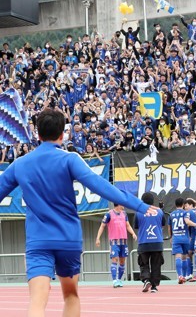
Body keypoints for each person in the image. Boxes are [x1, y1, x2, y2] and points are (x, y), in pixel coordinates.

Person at [0, 108, 157, 317]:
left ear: (37, 134)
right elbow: (102, 186)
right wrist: (140, 206)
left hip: (38, 242)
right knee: (71, 296)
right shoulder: (70, 159)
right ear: (62, 134)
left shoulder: (19, 164)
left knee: (37, 302)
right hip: (68, 240)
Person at [95, 203, 137, 288]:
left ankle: (119, 279)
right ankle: (114, 280)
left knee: (122, 261)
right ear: (118, 204)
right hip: (114, 241)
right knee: (115, 259)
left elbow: (127, 225)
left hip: (123, 241)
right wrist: (98, 238)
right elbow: (102, 226)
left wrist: (133, 233)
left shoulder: (124, 213)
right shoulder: (109, 214)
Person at [134, 192, 166, 293]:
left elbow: (136, 226)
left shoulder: (138, 212)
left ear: (142, 201)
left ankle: (146, 279)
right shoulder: (159, 211)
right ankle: (154, 286)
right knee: (156, 264)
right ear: (153, 201)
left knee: (144, 263)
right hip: (157, 242)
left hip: (144, 242)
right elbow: (163, 224)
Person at [168, 198, 190, 284]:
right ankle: (184, 276)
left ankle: (180, 276)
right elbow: (187, 224)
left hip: (176, 237)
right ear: (183, 204)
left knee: (178, 257)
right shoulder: (186, 213)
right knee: (184, 257)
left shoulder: (171, 214)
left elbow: (169, 227)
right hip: (185, 237)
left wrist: (171, 237)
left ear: (175, 204)